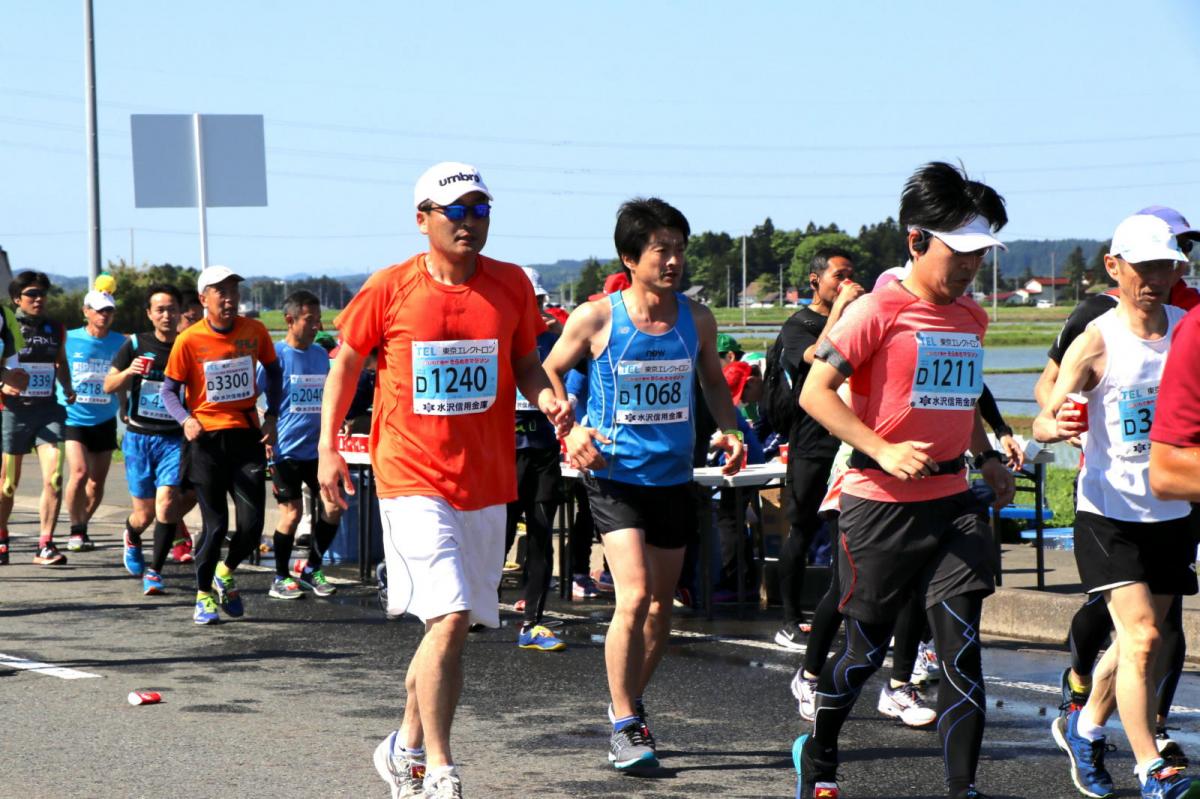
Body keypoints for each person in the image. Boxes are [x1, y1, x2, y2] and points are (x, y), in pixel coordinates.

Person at [317, 162, 571, 799]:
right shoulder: (390, 287)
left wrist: (552, 401)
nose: (470, 222)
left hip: (485, 482)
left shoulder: (511, 285)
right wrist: (328, 447)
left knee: (451, 631)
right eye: (456, 210)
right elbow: (346, 363)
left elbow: (525, 363)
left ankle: (402, 746)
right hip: (410, 477)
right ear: (423, 217)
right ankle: (439, 767)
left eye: (480, 209)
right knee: (452, 617)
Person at [794, 162, 1015, 799]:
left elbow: (964, 398)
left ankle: (962, 789)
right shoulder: (876, 309)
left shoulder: (972, 317)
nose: (972, 267)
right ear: (918, 241)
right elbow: (817, 392)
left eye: (981, 254)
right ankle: (823, 755)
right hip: (880, 506)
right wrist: (882, 449)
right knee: (862, 657)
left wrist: (989, 458)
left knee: (960, 656)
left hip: (954, 504)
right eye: (961, 252)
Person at [543, 197, 745, 772]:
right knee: (631, 598)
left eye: (681, 249)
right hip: (614, 476)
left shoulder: (697, 319)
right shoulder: (597, 317)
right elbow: (551, 370)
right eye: (662, 250)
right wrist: (571, 428)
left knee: (661, 611)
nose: (675, 260)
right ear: (631, 258)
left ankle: (623, 706)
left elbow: (713, 385)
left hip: (673, 477)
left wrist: (730, 432)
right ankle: (629, 723)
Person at [1034, 213, 1199, 799]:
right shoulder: (1097, 337)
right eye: (1142, 265)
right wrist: (1062, 421)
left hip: (1173, 511)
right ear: (1114, 267)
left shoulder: (1188, 328)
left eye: (1165, 265)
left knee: (1138, 643)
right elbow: (1044, 417)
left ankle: (1083, 727)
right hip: (1108, 513)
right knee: (1145, 640)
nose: (1153, 277)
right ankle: (1152, 767)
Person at [160, 265, 282, 626]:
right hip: (207, 441)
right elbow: (168, 390)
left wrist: (272, 415)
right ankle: (202, 596)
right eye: (220, 292)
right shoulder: (189, 340)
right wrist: (186, 419)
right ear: (203, 299)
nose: (229, 299)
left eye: (233, 291)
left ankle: (225, 573)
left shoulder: (254, 330)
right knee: (215, 526)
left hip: (246, 434)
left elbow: (274, 372)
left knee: (251, 525)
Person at [772, 247, 864, 649]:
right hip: (811, 442)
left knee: (846, 532)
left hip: (848, 440)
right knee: (803, 529)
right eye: (838, 277)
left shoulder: (858, 321)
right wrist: (842, 308)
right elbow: (819, 357)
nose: (847, 284)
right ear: (816, 281)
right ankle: (789, 619)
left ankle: (843, 613)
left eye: (851, 277)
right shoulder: (800, 324)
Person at [104, 284, 196, 594]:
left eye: (172, 309)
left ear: (180, 312)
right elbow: (108, 384)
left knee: (167, 505)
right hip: (139, 438)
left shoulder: (188, 345)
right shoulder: (134, 344)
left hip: (173, 439)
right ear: (150, 314)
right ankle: (131, 535)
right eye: (160, 309)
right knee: (144, 515)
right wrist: (130, 371)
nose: (167, 315)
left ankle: (155, 571)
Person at [257, 290, 342, 600]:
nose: (317, 326)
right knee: (291, 514)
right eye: (310, 320)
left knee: (333, 507)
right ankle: (280, 576)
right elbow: (251, 396)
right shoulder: (275, 356)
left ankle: (311, 568)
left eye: (319, 320)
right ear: (290, 320)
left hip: (317, 451)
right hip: (284, 452)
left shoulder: (321, 355)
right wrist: (264, 429)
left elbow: (331, 397)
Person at [506, 266, 567, 651]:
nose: (538, 309)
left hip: (543, 451)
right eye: (531, 301)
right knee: (497, 537)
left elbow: (593, 371)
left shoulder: (556, 340)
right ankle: (473, 609)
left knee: (543, 536)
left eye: (541, 301)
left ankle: (534, 621)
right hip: (502, 452)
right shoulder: (498, 336)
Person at [0, 271, 75, 566]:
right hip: (12, 411)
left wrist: (67, 387)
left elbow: (61, 362)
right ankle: (2, 537)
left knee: (55, 478)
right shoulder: (7, 326)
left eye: (42, 293)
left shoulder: (56, 328)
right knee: (7, 485)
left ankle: (45, 544)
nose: (39, 298)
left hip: (48, 410)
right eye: (32, 294)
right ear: (17, 299)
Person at [60, 289, 126, 552]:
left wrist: (124, 406)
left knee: (97, 481)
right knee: (79, 472)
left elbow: (121, 377)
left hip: (105, 418)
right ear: (86, 311)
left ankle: (82, 526)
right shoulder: (69, 339)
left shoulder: (121, 342)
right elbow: (53, 364)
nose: (104, 315)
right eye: (99, 310)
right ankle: (75, 528)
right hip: (73, 417)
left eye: (108, 311)